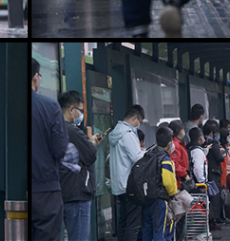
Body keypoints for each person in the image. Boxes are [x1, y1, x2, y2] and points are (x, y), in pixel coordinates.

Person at [31, 58, 69, 241]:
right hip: (45, 187)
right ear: (35, 78)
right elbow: (60, 149)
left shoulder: (8, 106)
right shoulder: (50, 106)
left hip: (12, 190)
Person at [58, 90, 102, 241]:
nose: (82, 115)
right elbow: (91, 154)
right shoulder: (72, 130)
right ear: (71, 109)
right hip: (77, 194)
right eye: (81, 111)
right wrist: (91, 143)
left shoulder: (55, 127)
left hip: (62, 192)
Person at [109, 105, 147, 241]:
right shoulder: (128, 134)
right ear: (134, 118)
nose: (138, 125)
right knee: (133, 224)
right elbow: (137, 157)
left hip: (119, 184)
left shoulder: (116, 132)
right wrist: (146, 153)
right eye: (139, 122)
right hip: (130, 184)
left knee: (124, 221)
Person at [141, 127, 178, 241]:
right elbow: (168, 182)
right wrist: (172, 195)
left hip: (146, 198)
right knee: (159, 232)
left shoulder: (148, 156)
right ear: (170, 143)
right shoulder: (165, 159)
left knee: (146, 232)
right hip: (159, 201)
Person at [168, 120, 190, 241]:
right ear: (180, 131)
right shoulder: (175, 145)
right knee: (179, 213)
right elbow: (174, 164)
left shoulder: (179, 143)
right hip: (178, 182)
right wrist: (184, 174)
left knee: (182, 213)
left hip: (180, 181)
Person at [203, 120, 225, 229]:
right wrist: (223, 153)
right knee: (215, 196)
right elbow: (219, 158)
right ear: (212, 132)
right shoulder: (214, 143)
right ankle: (214, 220)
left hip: (206, 172)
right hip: (214, 172)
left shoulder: (202, 142)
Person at [187, 127, 209, 193]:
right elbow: (198, 168)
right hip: (198, 186)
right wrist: (202, 184)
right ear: (201, 137)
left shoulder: (190, 149)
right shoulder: (197, 151)